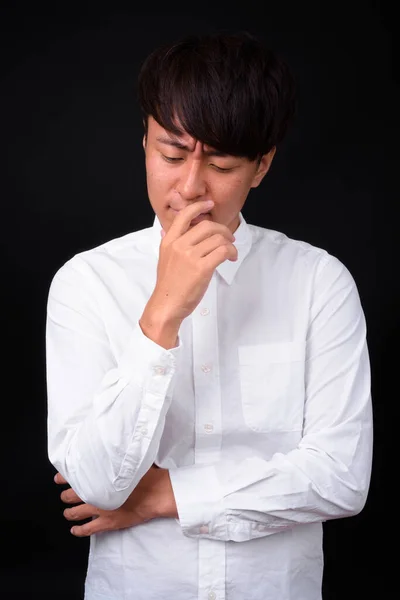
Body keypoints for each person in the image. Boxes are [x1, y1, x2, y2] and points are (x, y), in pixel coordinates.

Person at [46, 30, 373, 600]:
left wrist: (163, 494)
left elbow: (341, 479)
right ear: (145, 143)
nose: (190, 189)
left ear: (261, 165)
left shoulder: (319, 281)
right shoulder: (86, 282)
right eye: (171, 155)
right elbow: (96, 482)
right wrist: (160, 317)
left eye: (220, 164)